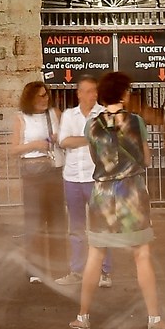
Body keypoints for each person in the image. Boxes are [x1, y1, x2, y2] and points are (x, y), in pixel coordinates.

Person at [70, 70, 165, 329]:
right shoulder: (136, 122)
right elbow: (146, 159)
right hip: (132, 193)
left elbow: (95, 158)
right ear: (124, 93)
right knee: (142, 255)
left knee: (95, 255)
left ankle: (83, 316)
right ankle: (154, 319)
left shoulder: (91, 125)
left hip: (102, 194)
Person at [55, 74, 116, 289]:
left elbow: (108, 142)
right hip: (72, 177)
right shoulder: (69, 116)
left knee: (101, 226)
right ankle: (77, 270)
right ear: (79, 93)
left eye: (95, 91)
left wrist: (80, 140)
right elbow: (64, 141)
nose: (92, 95)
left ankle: (104, 271)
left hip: (96, 178)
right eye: (88, 91)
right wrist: (91, 138)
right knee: (76, 227)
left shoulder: (104, 114)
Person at [15, 81, 64, 284]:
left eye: (46, 95)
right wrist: (34, 145)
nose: (45, 99)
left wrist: (58, 138)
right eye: (40, 96)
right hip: (32, 174)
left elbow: (65, 139)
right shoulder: (21, 118)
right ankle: (34, 268)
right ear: (30, 98)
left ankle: (58, 267)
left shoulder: (55, 114)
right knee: (34, 224)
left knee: (56, 222)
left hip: (53, 172)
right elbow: (13, 149)